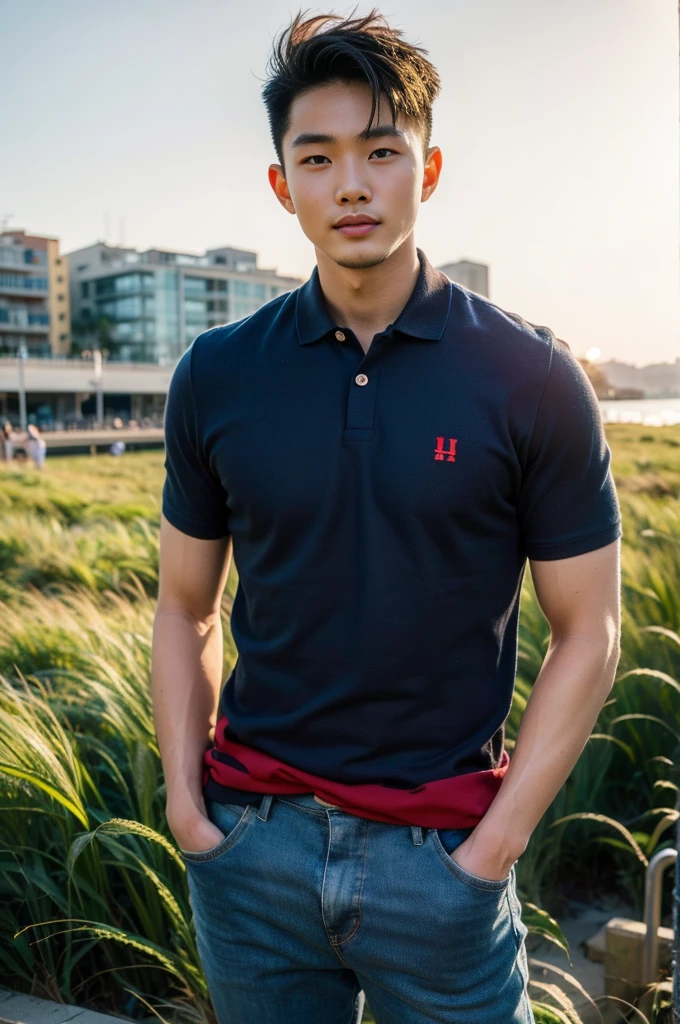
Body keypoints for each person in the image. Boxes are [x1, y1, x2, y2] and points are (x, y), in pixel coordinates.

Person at [152, 11, 622, 1024]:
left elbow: (591, 629)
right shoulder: (216, 374)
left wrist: (491, 848)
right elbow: (185, 605)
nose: (351, 184)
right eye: (316, 157)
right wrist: (189, 812)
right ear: (282, 184)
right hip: (251, 848)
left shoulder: (531, 377)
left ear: (429, 168)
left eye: (380, 151)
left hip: (440, 863)